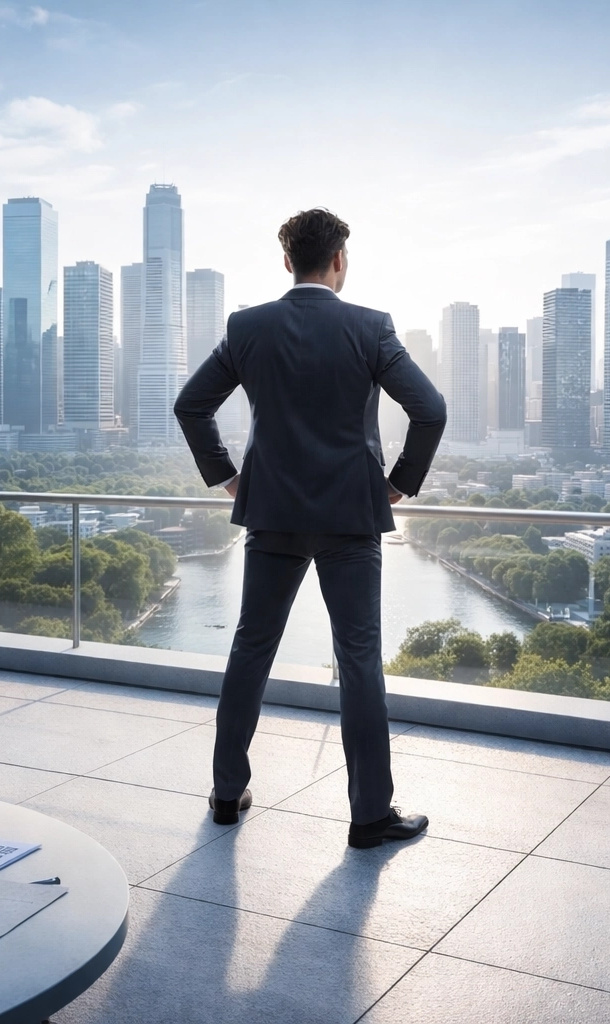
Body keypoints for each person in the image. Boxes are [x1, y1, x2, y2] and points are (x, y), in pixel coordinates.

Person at [173, 208, 447, 849]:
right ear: (340, 260)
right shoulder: (369, 327)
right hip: (351, 518)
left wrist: (230, 478)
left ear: (287, 259)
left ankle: (224, 792)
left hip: (271, 513)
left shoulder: (247, 327)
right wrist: (401, 481)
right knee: (358, 662)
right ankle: (368, 816)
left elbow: (191, 404)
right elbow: (429, 408)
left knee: (250, 650)